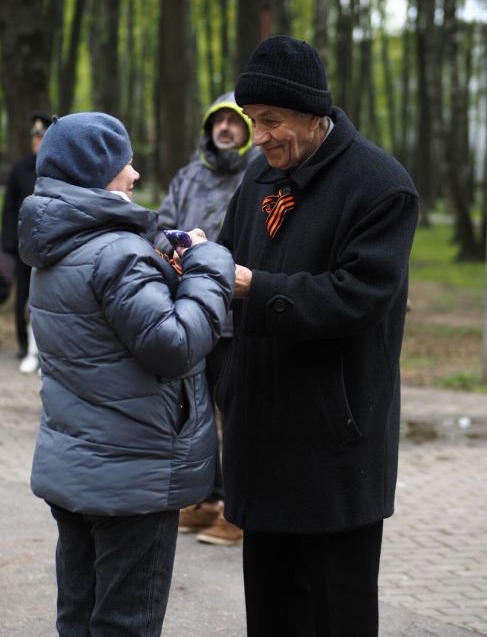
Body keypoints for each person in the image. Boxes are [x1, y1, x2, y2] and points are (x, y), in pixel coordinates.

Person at [216, 36, 419, 637]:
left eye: (272, 121)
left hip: (336, 443)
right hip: (263, 433)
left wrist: (256, 286)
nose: (260, 136)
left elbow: (359, 297)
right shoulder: (259, 177)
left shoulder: (380, 185)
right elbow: (229, 258)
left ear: (313, 114)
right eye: (253, 121)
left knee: (337, 613)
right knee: (273, 611)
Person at [17, 112, 235, 636]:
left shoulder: (53, 248)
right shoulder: (116, 252)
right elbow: (175, 346)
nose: (135, 175)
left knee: (78, 618)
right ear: (98, 171)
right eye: (125, 163)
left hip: (76, 470)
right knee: (124, 625)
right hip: (131, 479)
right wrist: (208, 265)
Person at [155, 92, 259, 546]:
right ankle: (209, 500)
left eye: (234, 121)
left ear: (247, 129)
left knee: (236, 415)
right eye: (218, 121)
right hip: (194, 316)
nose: (225, 128)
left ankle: (240, 509)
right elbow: (163, 225)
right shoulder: (188, 176)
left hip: (239, 314)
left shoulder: (260, 175)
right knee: (197, 413)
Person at [1, 113, 50, 370]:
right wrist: (8, 242)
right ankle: (24, 346)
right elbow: (9, 208)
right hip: (23, 244)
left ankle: (44, 349)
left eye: (41, 136)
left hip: (51, 245)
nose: (36, 140)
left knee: (47, 297)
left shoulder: (57, 169)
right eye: (34, 136)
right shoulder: (21, 168)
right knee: (23, 297)